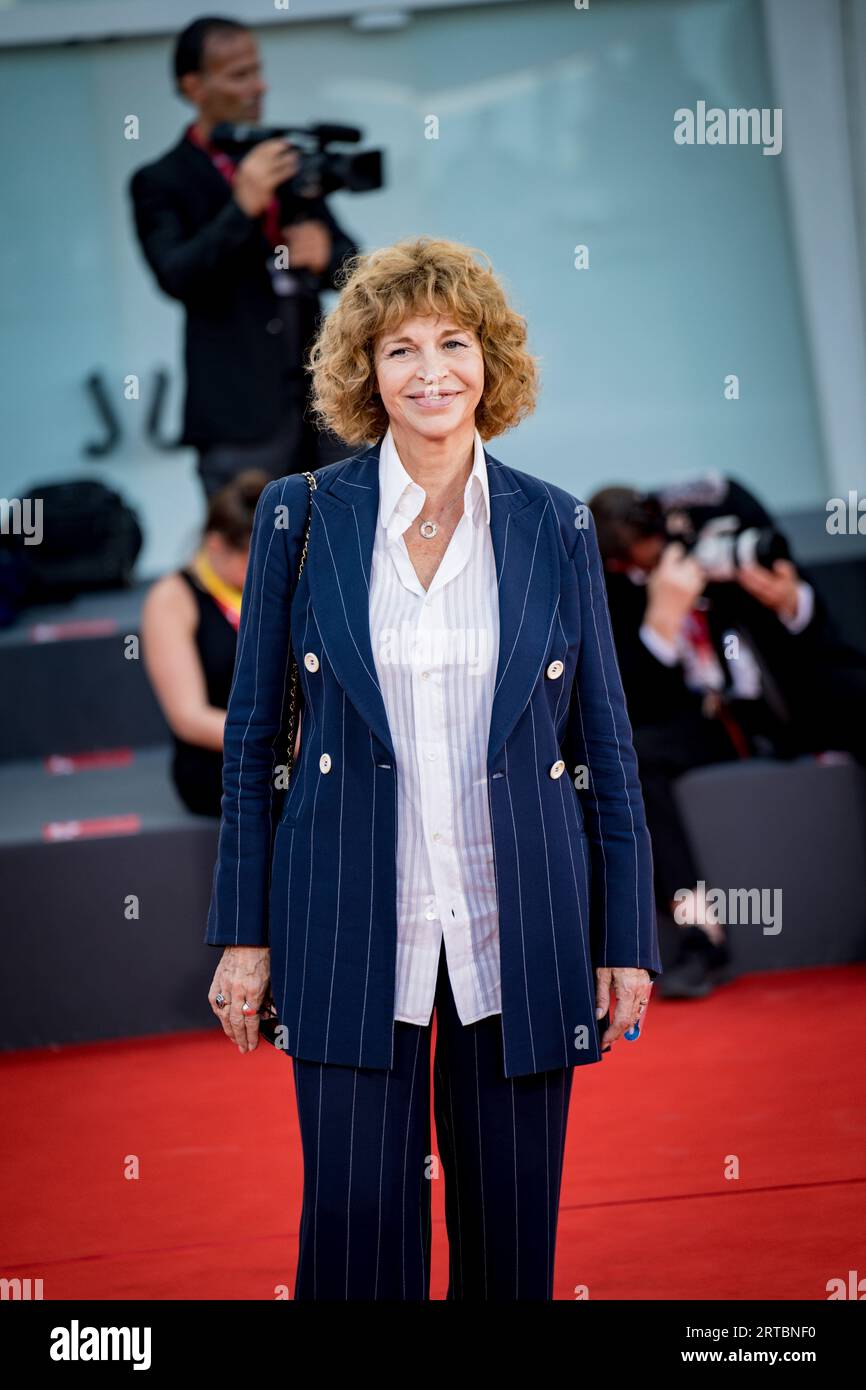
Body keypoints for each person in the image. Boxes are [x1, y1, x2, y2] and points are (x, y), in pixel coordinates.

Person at [204, 236, 662, 1301]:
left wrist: (624, 935)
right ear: (364, 373)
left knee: (510, 1250)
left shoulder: (556, 522)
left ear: (489, 361)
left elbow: (604, 745)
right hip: (347, 929)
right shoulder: (300, 515)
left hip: (524, 934)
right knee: (357, 1240)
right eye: (398, 349)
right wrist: (242, 934)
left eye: (452, 342)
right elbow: (250, 744)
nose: (430, 371)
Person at [589, 478, 866, 999]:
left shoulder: (725, 540)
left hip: (792, 703)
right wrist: (661, 624)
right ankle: (700, 932)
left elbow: (817, 637)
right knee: (635, 759)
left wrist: (790, 599)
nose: (645, 566)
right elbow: (629, 707)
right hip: (712, 722)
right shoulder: (616, 589)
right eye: (630, 565)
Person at [128, 15, 358, 499]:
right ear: (194, 87)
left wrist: (326, 254)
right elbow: (177, 276)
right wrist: (241, 207)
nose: (259, 86)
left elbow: (353, 265)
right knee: (250, 561)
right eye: (238, 74)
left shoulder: (286, 161)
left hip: (322, 400)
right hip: (239, 415)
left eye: (257, 70)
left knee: (346, 545)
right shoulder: (162, 180)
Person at [141, 469, 269, 817]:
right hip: (222, 764)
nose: (265, 568)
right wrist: (279, 739)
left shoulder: (278, 582)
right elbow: (188, 717)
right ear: (216, 546)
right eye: (252, 558)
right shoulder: (172, 598)